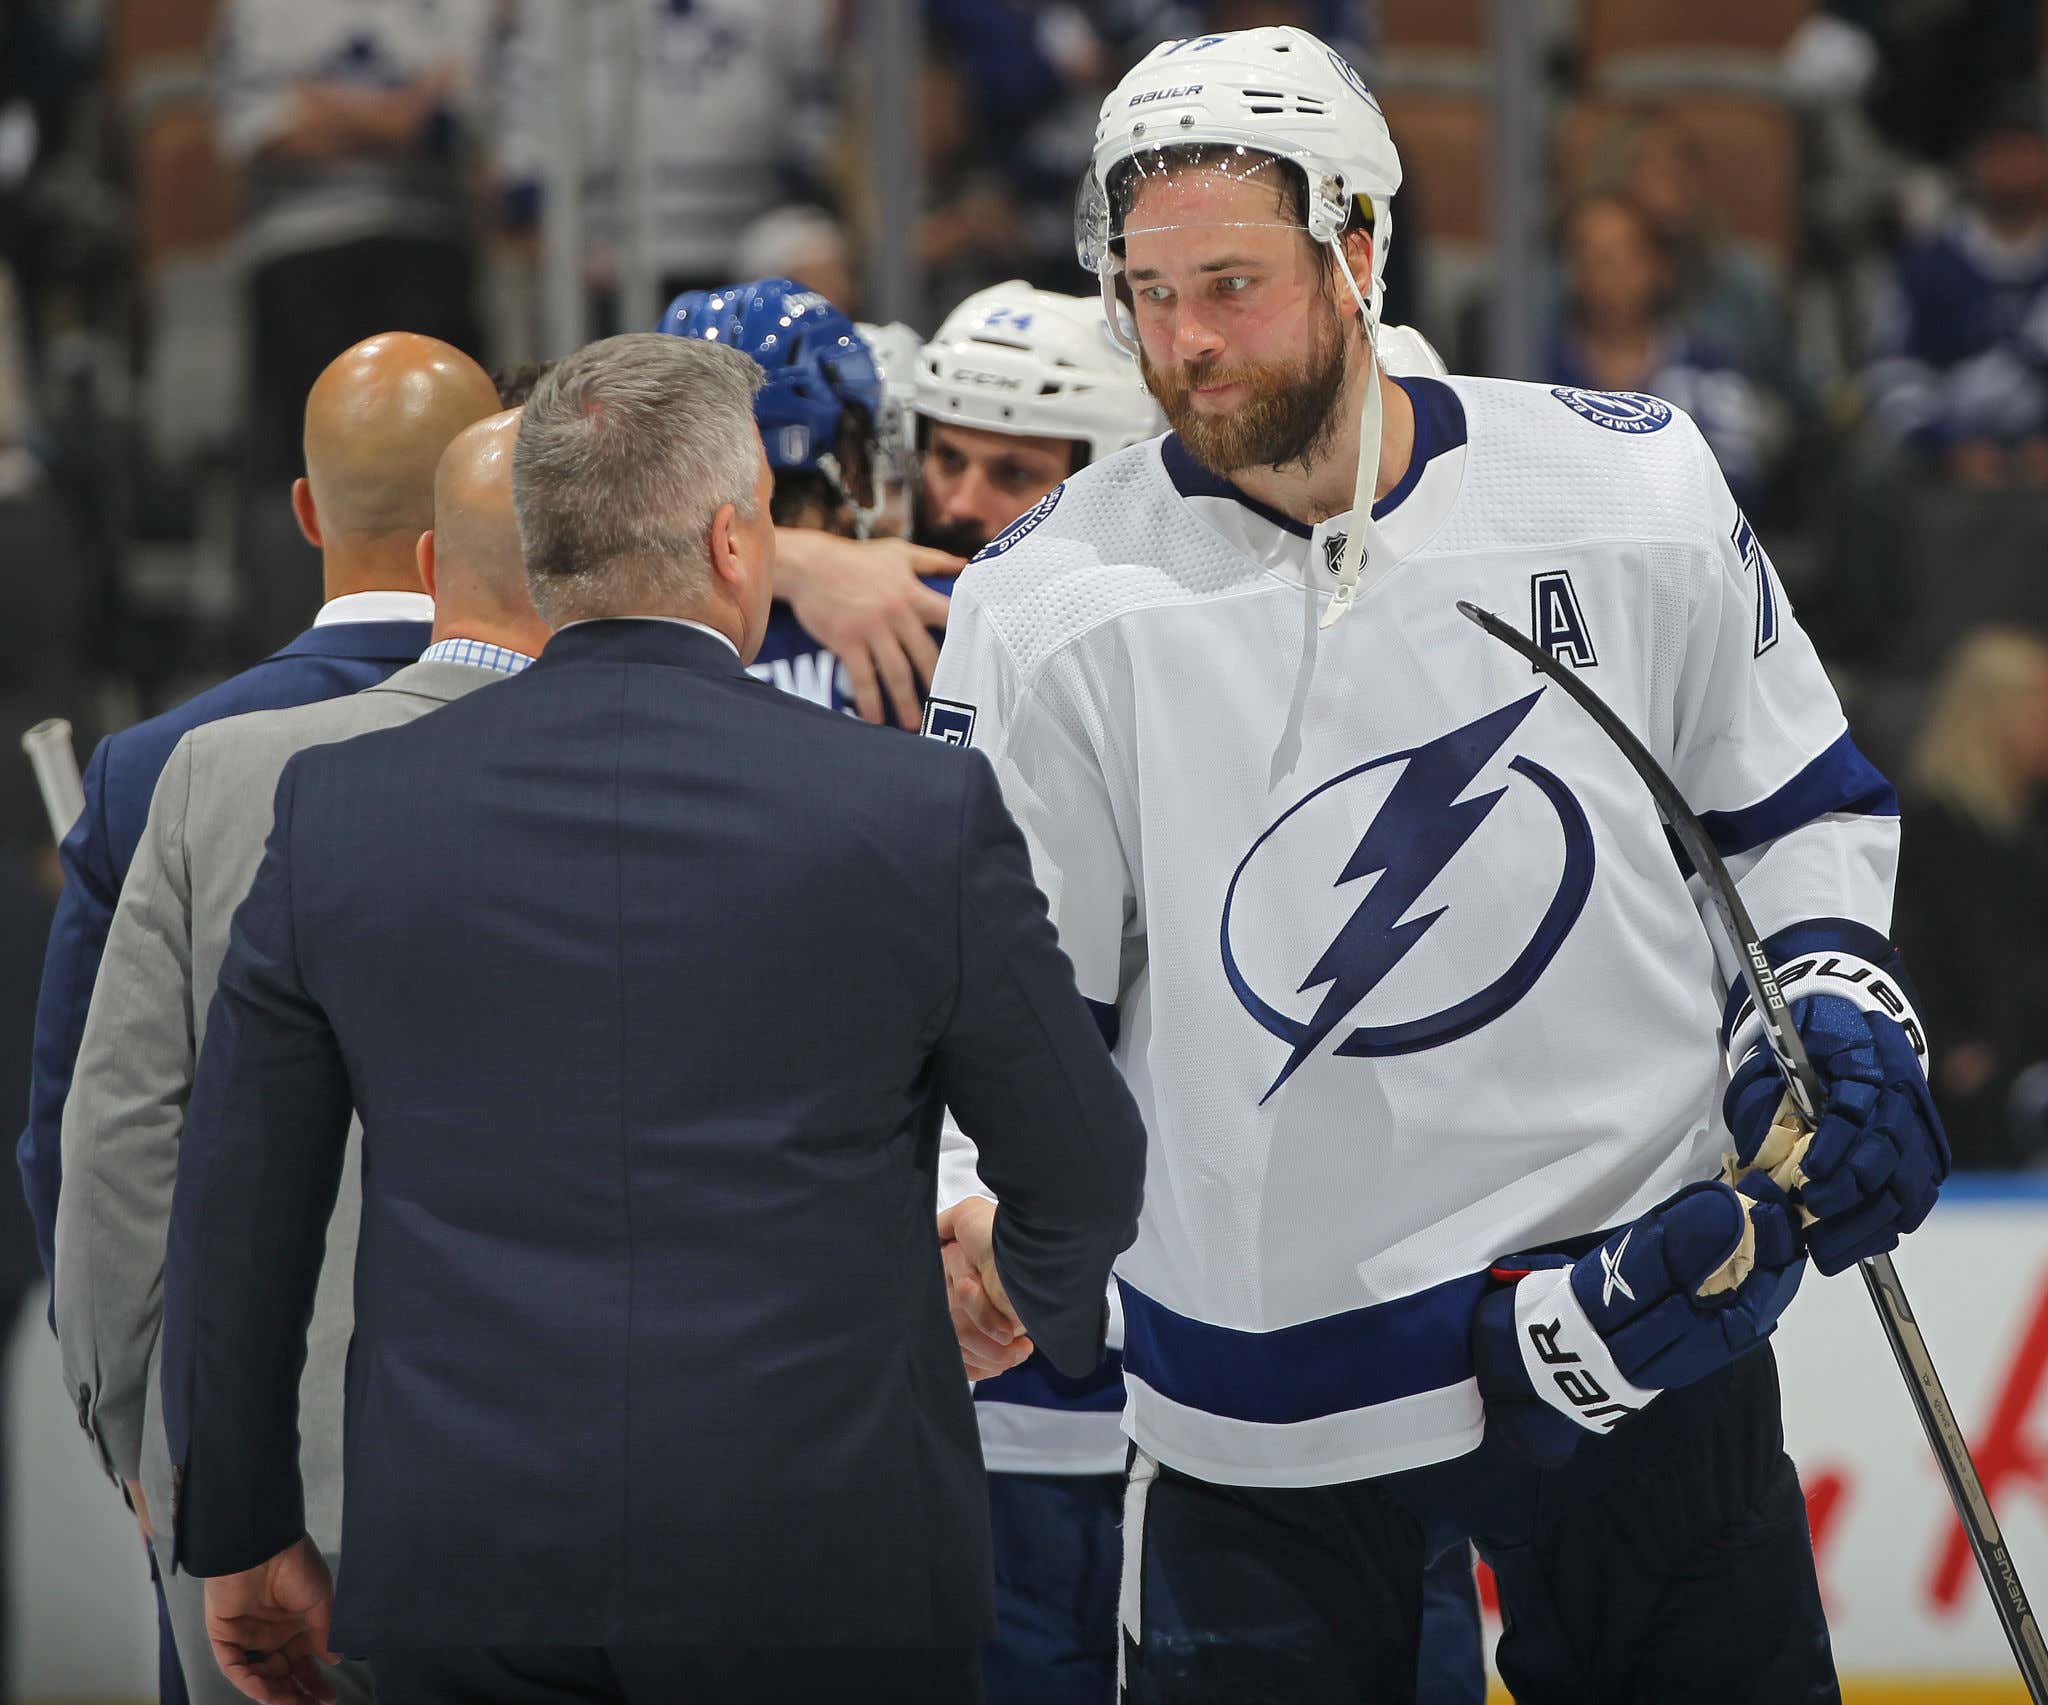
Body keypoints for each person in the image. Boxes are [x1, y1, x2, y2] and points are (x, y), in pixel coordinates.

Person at [929, 26, 1947, 1705]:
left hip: (1643, 1317)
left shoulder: (1626, 485)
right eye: (1146, 289)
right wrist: (971, 1204)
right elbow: (1001, 993)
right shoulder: (1047, 602)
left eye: (1231, 285)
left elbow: (1788, 814)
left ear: (1358, 248)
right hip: (1261, 1393)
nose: (1180, 341)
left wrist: (1834, 1004)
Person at [158, 332, 1147, 1705]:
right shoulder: (910, 813)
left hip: (470, 1545)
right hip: (828, 1551)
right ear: (739, 545)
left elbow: (238, 1209)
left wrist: (244, 1529)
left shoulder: (342, 814)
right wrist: (1011, 1296)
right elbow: (1088, 1165)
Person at [55, 409, 545, 1705]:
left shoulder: (200, 777)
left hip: (260, 1487)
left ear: (433, 564)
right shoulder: (691, 791)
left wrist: (161, 1451)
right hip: (590, 1507)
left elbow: (107, 1145)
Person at [214, 0, 495, 652]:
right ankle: (289, 657)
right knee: (294, 462)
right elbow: (252, 130)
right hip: (296, 251)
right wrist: (395, 116)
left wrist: (325, 109)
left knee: (453, 454)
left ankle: (464, 644)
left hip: (429, 244)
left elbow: (461, 116)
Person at [1894, 628, 2048, 1170]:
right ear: (1995, 716)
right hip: (1968, 1100)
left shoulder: (2023, 830)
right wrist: (1956, 1048)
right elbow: (1919, 951)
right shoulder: (1933, 835)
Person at [1547, 192, 1786, 509]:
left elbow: (1737, 485)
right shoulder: (1535, 367)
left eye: (1617, 258)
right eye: (1588, 257)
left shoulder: (1708, 368)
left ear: (1655, 267)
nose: (1604, 275)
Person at [1864, 90, 2048, 483]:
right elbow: (1893, 370)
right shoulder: (1928, 264)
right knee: (1872, 470)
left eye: (2025, 152)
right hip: (1942, 458)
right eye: (2000, 152)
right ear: (1976, 162)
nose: (2013, 167)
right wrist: (1946, 444)